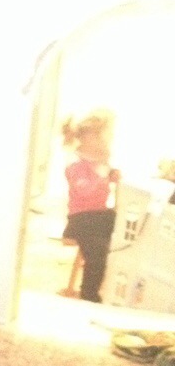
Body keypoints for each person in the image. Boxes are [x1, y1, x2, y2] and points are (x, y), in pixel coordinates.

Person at [60, 109, 120, 302]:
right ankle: (89, 294)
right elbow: (84, 190)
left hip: (99, 215)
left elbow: (107, 183)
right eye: (103, 137)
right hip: (81, 218)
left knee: (124, 226)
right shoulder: (75, 163)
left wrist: (112, 175)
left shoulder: (101, 162)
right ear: (88, 138)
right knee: (97, 253)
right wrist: (102, 176)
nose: (107, 142)